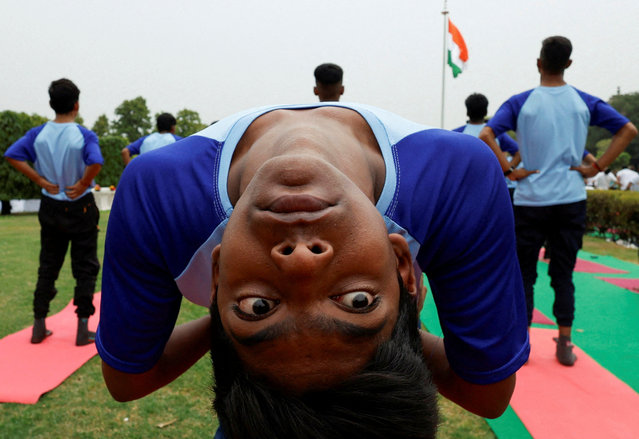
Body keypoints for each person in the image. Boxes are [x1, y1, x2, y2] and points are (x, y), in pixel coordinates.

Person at [97, 103, 530, 436]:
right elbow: (485, 391)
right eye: (358, 301)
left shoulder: (160, 194)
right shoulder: (454, 178)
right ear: (402, 268)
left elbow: (128, 379)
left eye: (258, 305)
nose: (302, 262)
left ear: (216, 280)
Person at [479, 36, 637, 366]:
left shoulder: (521, 102)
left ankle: (522, 343)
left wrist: (510, 170)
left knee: (524, 274)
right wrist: (597, 167)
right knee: (563, 274)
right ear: (568, 64)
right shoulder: (584, 102)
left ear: (539, 63)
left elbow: (487, 134)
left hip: (530, 200)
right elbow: (628, 130)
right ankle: (565, 342)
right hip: (570, 198)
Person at [4, 78, 103, 346]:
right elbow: (96, 161)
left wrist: (39, 180)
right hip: (80, 205)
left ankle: (38, 325)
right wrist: (83, 182)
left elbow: (12, 155)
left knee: (48, 265)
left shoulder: (37, 134)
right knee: (85, 267)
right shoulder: (84, 135)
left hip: (50, 206)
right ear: (76, 104)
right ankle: (83, 328)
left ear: (51, 104)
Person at [453, 93, 520, 201]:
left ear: (467, 112)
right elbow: (518, 152)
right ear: (485, 112)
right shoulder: (495, 134)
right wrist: (508, 171)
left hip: (466, 189)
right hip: (492, 188)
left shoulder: (456, 134)